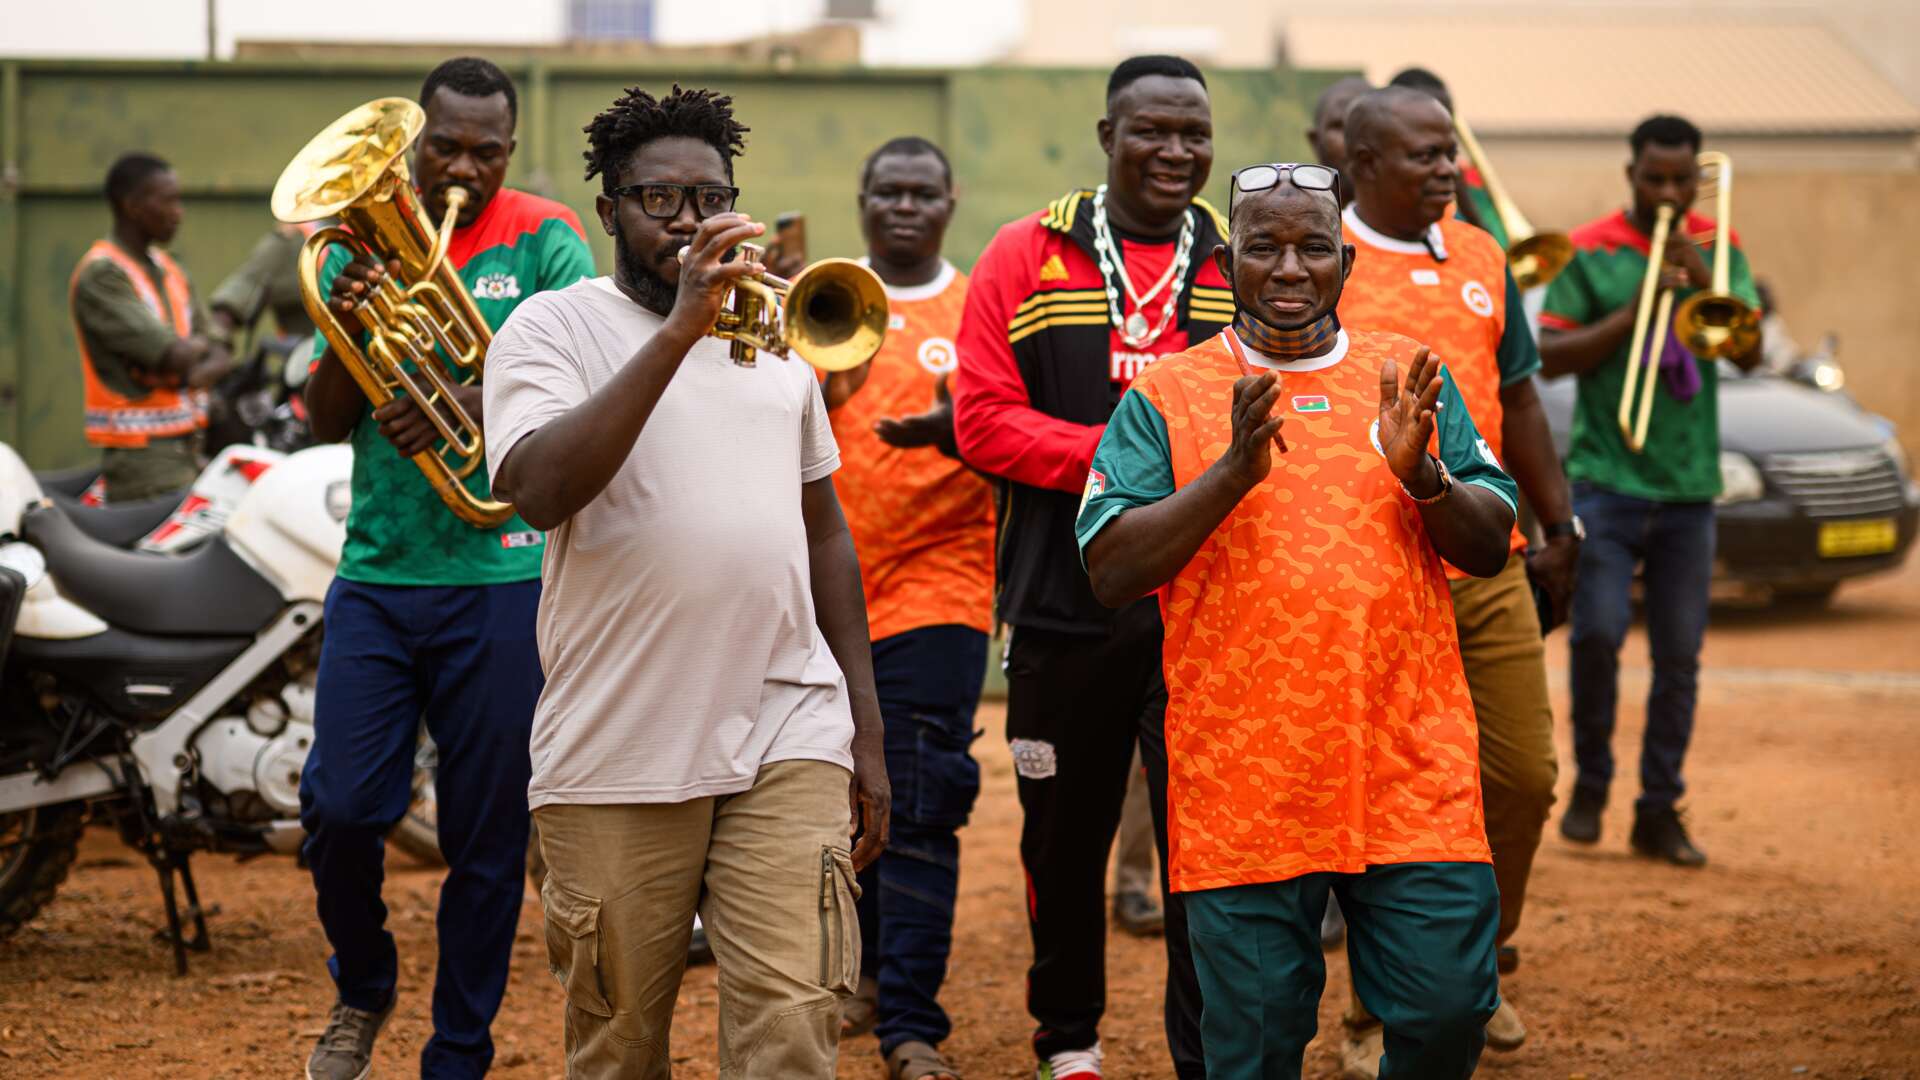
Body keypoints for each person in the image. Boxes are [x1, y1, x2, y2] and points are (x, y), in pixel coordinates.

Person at [483, 83, 891, 1079]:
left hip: (788, 723)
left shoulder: (776, 338)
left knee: (795, 1025)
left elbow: (823, 533)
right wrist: (679, 327)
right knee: (620, 1044)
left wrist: (862, 727)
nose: (688, 220)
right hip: (620, 737)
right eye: (658, 199)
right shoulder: (550, 331)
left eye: (709, 197)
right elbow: (538, 491)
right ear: (608, 210)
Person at [1078, 163, 1514, 1080]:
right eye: (1265, 247)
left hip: (1409, 761)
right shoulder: (1167, 395)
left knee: (1447, 1012)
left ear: (1345, 262)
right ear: (1227, 261)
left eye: (1313, 246)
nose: (1289, 267)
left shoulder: (1408, 381)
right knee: (1257, 1048)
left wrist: (1423, 476)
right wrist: (1231, 472)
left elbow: (1488, 540)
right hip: (1248, 779)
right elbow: (1110, 569)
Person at [297, 57, 596, 1080]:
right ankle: (364, 983)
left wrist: (460, 401)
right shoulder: (347, 248)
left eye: (486, 149)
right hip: (380, 575)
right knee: (341, 808)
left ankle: (457, 1049)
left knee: (486, 836)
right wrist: (355, 324)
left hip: (503, 575)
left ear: (511, 149)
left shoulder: (548, 237)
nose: (461, 166)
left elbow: (570, 386)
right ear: (413, 144)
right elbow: (324, 418)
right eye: (443, 147)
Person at [951, 54, 1228, 1080]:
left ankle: (1205, 1051)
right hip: (1063, 609)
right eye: (1153, 130)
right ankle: (1068, 1040)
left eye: (1194, 133)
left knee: (1206, 852)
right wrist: (1128, 463)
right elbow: (981, 422)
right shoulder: (1028, 253)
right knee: (1060, 844)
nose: (1176, 151)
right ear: (1107, 135)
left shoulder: (1235, 263)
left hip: (1205, 608)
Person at [1334, 85, 1575, 1072]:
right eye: (1427, 156)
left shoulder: (1480, 255)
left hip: (1484, 556)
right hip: (1374, 567)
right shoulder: (1322, 260)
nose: (1450, 170)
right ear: (1361, 167)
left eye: (1451, 155)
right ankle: (1374, 1008)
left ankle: (1484, 962)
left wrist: (1560, 519)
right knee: (1390, 795)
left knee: (1521, 776)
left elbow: (1517, 393)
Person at [1539, 114, 1762, 868]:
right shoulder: (1591, 247)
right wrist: (1636, 313)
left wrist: (1702, 285)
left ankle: (1659, 808)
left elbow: (1751, 352)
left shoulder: (1716, 242)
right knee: (1597, 634)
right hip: (1607, 476)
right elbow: (1552, 355)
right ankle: (1592, 787)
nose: (1668, 195)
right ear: (1629, 173)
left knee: (1680, 656)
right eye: (1653, 179)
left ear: (1696, 176)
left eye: (1681, 180)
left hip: (1688, 484)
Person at [824, 135, 994, 1080]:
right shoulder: (822, 294)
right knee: (837, 794)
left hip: (942, 583)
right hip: (820, 594)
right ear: (861, 198)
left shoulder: (981, 312)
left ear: (949, 201)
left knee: (922, 798)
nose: (903, 207)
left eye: (922, 192)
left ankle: (911, 1025)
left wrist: (956, 431)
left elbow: (1006, 436)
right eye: (886, 191)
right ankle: (864, 976)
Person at [68, 152, 231, 501]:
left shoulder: (168, 268)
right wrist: (191, 352)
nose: (179, 211)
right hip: (145, 467)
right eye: (168, 200)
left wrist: (190, 364)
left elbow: (222, 351)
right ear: (132, 206)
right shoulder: (103, 274)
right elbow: (173, 355)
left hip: (189, 451)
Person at [1387, 67, 1506, 249]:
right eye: (1428, 120)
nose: (1441, 132)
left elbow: (1491, 252)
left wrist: (1465, 201)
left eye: (1447, 119)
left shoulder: (1475, 194)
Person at [1304, 76, 1371, 207]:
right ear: (1315, 141)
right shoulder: (1297, 222)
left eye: (1364, 125)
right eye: (1338, 126)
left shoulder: (1416, 223)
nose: (1353, 140)